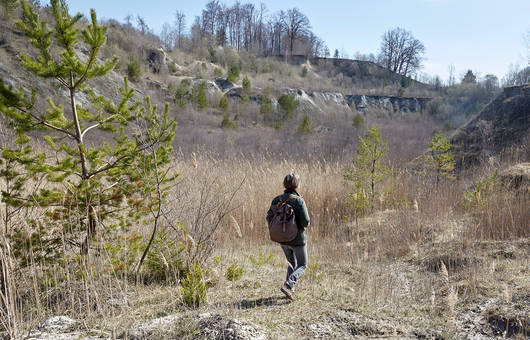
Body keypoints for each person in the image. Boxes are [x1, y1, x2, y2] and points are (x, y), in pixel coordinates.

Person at [269, 172, 310, 300]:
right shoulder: (298, 201)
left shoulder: (277, 199)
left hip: (281, 238)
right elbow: (306, 222)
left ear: (284, 184)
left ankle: (289, 290)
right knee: (302, 264)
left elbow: (270, 217)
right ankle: (289, 284)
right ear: (297, 185)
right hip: (297, 239)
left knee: (292, 263)